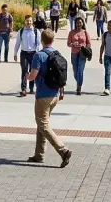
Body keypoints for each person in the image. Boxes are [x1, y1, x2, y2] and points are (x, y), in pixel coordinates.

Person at [26, 30, 73, 168]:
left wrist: (26, 76)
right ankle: (39, 154)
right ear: (52, 40)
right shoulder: (57, 54)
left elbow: (33, 75)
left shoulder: (38, 55)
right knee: (41, 124)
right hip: (55, 95)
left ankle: (63, 150)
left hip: (43, 96)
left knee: (43, 125)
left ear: (42, 40)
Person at [14, 16, 40, 97]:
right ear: (25, 22)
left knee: (32, 71)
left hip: (33, 54)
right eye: (27, 21)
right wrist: (15, 53)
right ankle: (24, 89)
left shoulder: (36, 31)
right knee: (24, 70)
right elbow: (17, 43)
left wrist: (38, 54)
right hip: (24, 53)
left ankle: (31, 88)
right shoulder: (21, 31)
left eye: (30, 21)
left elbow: (38, 44)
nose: (28, 23)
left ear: (32, 22)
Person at [67, 17, 91, 95]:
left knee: (80, 70)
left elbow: (89, 43)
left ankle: (79, 87)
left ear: (82, 23)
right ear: (75, 24)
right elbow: (68, 43)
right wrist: (73, 44)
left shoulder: (85, 32)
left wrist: (85, 47)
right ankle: (79, 81)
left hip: (82, 54)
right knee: (75, 71)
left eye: (80, 23)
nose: (79, 24)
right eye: (77, 23)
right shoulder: (71, 32)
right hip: (74, 53)